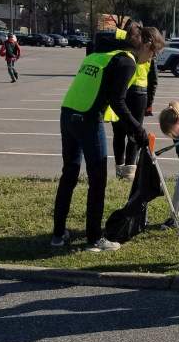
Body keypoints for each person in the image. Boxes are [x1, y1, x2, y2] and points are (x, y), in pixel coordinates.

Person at [51, 22, 163, 252]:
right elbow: (118, 101)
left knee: (69, 175)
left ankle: (58, 234)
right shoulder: (126, 62)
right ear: (147, 46)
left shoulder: (99, 55)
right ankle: (94, 239)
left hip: (67, 114)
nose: (151, 60)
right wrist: (138, 130)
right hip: (88, 119)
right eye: (154, 54)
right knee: (98, 180)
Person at [112, 43, 159, 180]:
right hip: (139, 93)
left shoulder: (126, 51)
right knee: (134, 133)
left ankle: (120, 168)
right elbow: (154, 80)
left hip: (123, 90)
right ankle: (130, 170)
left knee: (118, 133)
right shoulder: (148, 54)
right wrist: (149, 103)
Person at [158, 101, 179, 227]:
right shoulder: (177, 131)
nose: (173, 135)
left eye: (172, 132)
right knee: (178, 191)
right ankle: (174, 218)